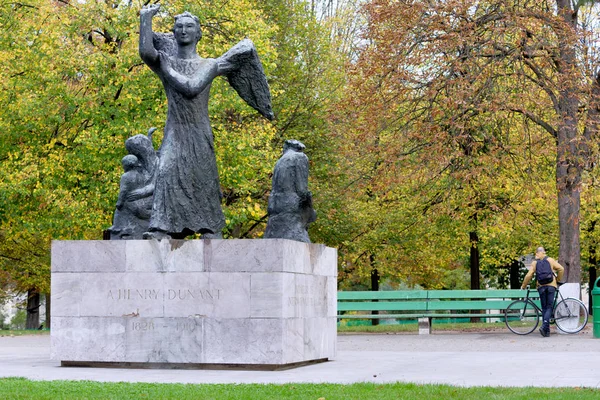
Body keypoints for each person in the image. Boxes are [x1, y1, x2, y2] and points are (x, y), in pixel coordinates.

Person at [138, 4, 273, 240]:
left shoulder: (209, 64)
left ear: (198, 33)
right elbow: (146, 53)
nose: (183, 30)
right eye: (178, 26)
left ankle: (209, 227)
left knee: (202, 179)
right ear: (173, 31)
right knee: (166, 171)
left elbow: (191, 88)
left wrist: (165, 67)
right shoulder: (165, 60)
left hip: (198, 134)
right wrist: (145, 19)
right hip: (174, 132)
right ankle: (163, 227)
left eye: (189, 26)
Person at [520, 247, 565, 337]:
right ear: (544, 252)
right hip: (551, 286)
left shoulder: (535, 263)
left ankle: (546, 330)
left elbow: (529, 275)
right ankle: (545, 327)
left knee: (544, 308)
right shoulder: (550, 260)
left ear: (537, 253)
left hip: (541, 287)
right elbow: (561, 269)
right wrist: (558, 280)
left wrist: (523, 286)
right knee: (549, 307)